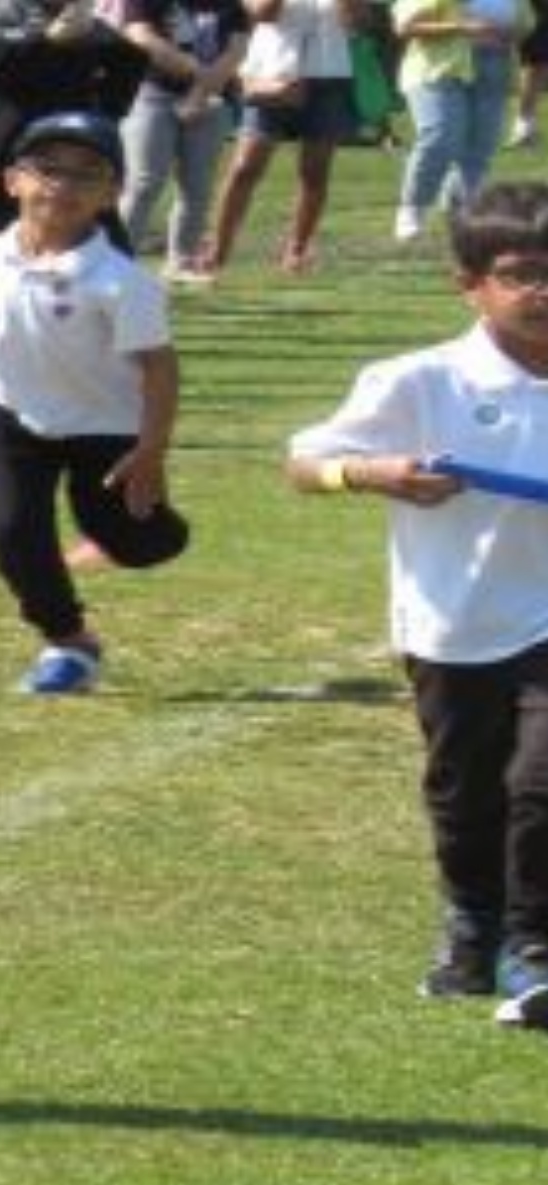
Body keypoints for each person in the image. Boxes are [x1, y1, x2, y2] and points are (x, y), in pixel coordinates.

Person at [287, 181, 548, 1030]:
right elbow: (306, 460)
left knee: (540, 781)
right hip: (456, 621)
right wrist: (374, 473)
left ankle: (532, 947)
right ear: (468, 283)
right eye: (520, 274)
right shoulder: (420, 379)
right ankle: (473, 923)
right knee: (465, 788)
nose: (542, 291)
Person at [0, 112, 188, 694]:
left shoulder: (120, 280)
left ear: (111, 193)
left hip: (103, 425)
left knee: (140, 541)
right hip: (7, 412)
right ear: (13, 181)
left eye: (86, 175)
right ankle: (67, 640)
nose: (62, 187)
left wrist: (151, 450)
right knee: (11, 531)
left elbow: (160, 367)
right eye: (47, 171)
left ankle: (149, 530)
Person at [0, 0, 145, 271]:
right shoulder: (0, 10)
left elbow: (131, 60)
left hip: (74, 146)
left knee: (107, 253)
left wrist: (105, 114)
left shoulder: (82, 17)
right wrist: (47, 40)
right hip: (7, 149)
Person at [202, 0, 364, 275]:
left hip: (327, 76)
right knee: (245, 167)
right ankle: (218, 250)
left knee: (314, 172)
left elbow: (354, 21)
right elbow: (263, 13)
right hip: (271, 73)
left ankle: (297, 250)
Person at [99, 0, 249, 284]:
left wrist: (203, 90)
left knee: (198, 186)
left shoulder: (231, 5)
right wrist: (196, 70)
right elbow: (140, 36)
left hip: (212, 100)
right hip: (151, 94)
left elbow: (237, 50)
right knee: (144, 182)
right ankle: (114, 260)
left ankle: (181, 262)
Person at [391, 0, 530, 242]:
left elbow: (525, 24)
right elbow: (405, 26)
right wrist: (463, 28)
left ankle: (463, 213)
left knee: (480, 145)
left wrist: (511, 32)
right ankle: (413, 208)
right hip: (439, 67)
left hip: (494, 66)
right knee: (441, 136)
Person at [507, 0, 548, 146]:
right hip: (528, 9)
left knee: (541, 65)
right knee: (534, 63)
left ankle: (527, 125)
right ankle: (522, 126)